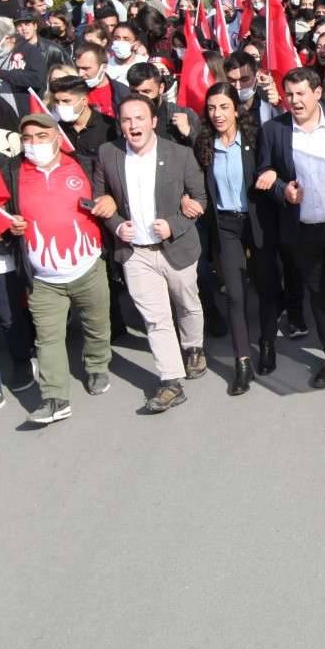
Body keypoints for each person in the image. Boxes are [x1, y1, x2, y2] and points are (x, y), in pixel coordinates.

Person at [94, 94, 209, 413]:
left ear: (153, 122)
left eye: (140, 118)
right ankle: (171, 382)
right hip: (135, 254)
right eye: (127, 119)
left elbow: (200, 199)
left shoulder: (180, 154)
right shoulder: (108, 153)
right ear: (120, 123)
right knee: (156, 319)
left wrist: (173, 224)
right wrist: (117, 226)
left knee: (187, 304)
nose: (133, 125)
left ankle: (194, 347)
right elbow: (99, 199)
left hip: (177, 248)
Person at [256, 67, 325, 389]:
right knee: (318, 293)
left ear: (317, 93)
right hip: (303, 230)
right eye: (289, 94)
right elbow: (265, 171)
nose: (294, 100)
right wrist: (282, 191)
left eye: (301, 93)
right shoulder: (273, 131)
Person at [0, 112, 113, 424]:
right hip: (43, 280)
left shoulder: (83, 164)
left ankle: (97, 366)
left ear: (56, 137)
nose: (33, 143)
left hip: (88, 267)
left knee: (96, 324)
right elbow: (0, 215)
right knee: (47, 339)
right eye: (27, 138)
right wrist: (10, 226)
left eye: (40, 136)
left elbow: (110, 196)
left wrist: (110, 203)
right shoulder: (11, 171)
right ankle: (54, 397)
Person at [193, 83, 270, 396]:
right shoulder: (204, 143)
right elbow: (196, 183)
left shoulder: (255, 137)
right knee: (235, 296)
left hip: (257, 221)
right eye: (212, 108)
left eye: (224, 107)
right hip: (225, 226)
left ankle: (266, 344)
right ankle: (242, 361)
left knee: (265, 286)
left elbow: (270, 168)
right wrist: (188, 197)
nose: (217, 114)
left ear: (236, 108)